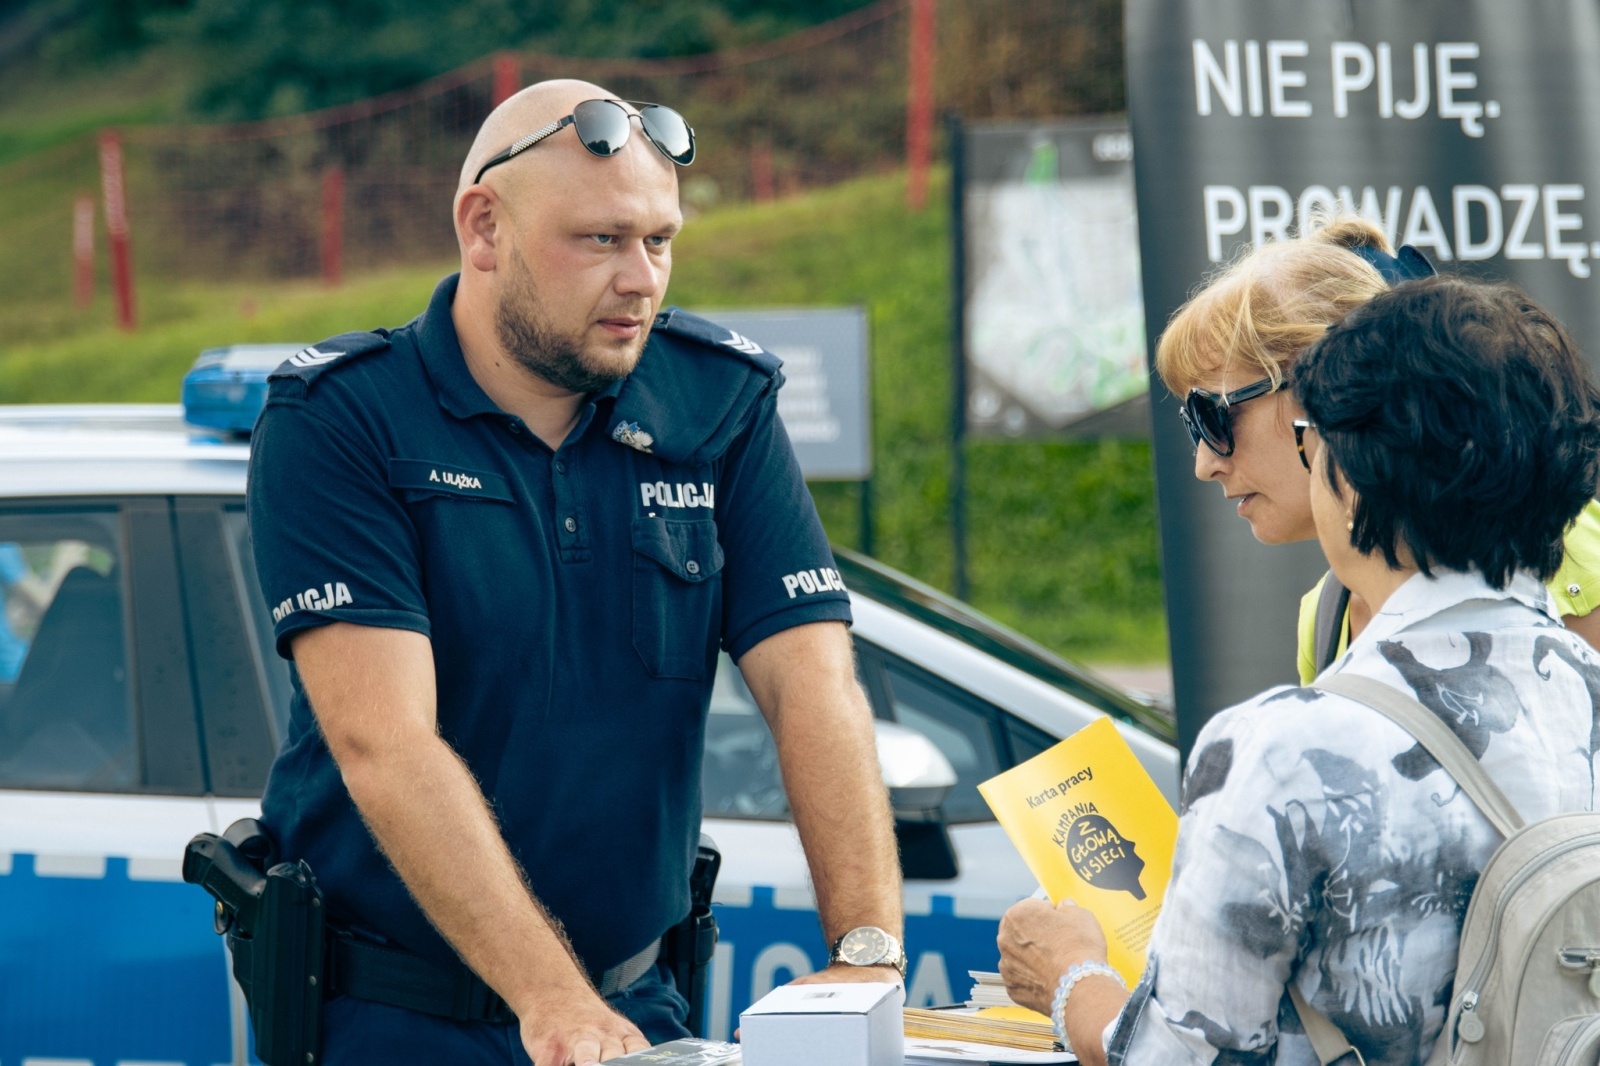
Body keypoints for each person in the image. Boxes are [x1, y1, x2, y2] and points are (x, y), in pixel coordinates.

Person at [246, 80, 904, 1066]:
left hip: (637, 1007)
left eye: (660, 240)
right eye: (601, 241)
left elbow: (811, 680)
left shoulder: (717, 401)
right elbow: (383, 740)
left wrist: (864, 953)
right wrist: (550, 1001)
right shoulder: (341, 421)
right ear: (484, 230)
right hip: (394, 1019)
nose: (642, 278)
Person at [995, 276, 1600, 1065]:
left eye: (1315, 442)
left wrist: (1073, 976)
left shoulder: (1286, 749)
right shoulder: (1583, 689)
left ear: (1351, 475)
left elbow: (1176, 1057)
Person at [1150, 218, 1600, 677]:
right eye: (1193, 425)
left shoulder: (1569, 548)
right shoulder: (1325, 614)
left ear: (1329, 381)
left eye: (1214, 416)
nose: (1204, 464)